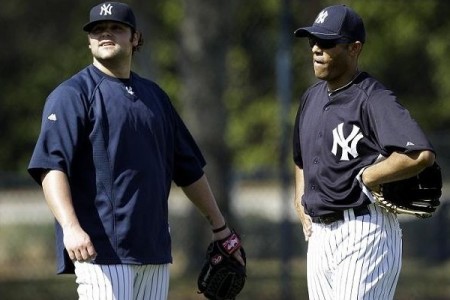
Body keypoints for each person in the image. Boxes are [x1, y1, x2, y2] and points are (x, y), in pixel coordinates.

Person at [28, 2, 243, 299]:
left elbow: (189, 169)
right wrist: (71, 227)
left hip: (154, 249)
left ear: (136, 38)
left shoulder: (155, 97)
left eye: (116, 28)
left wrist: (221, 229)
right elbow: (51, 166)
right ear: (89, 41)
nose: (105, 34)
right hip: (101, 250)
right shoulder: (71, 95)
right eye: (97, 29)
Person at [292, 4, 435, 300]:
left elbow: (419, 153)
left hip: (364, 231)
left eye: (327, 42)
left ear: (354, 48)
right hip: (319, 238)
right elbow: (300, 159)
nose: (317, 49)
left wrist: (369, 175)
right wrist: (299, 198)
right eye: (313, 42)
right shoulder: (311, 98)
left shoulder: (373, 98)